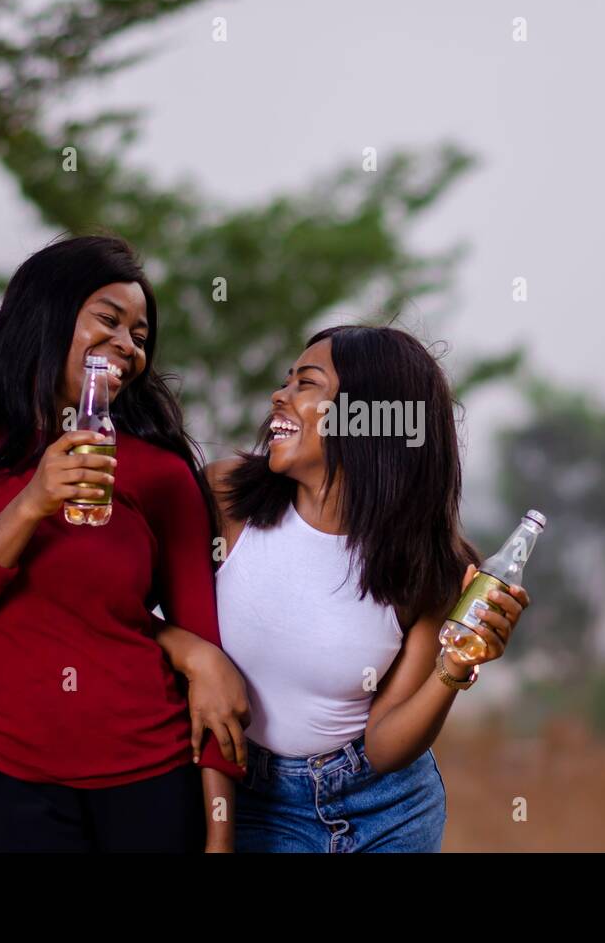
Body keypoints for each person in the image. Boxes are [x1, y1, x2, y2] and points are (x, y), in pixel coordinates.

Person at [0, 235, 247, 852]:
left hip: (155, 777)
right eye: (108, 318)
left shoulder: (159, 471)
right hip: (11, 779)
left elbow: (211, 675)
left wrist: (219, 837)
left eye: (139, 335)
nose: (128, 345)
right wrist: (33, 501)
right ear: (47, 313)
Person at [154, 325, 529, 852]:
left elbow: (384, 745)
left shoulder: (431, 566)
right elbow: (117, 613)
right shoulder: (224, 500)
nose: (279, 395)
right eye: (287, 380)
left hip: (388, 809)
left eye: (306, 383)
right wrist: (196, 657)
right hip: (252, 796)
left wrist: (456, 665)